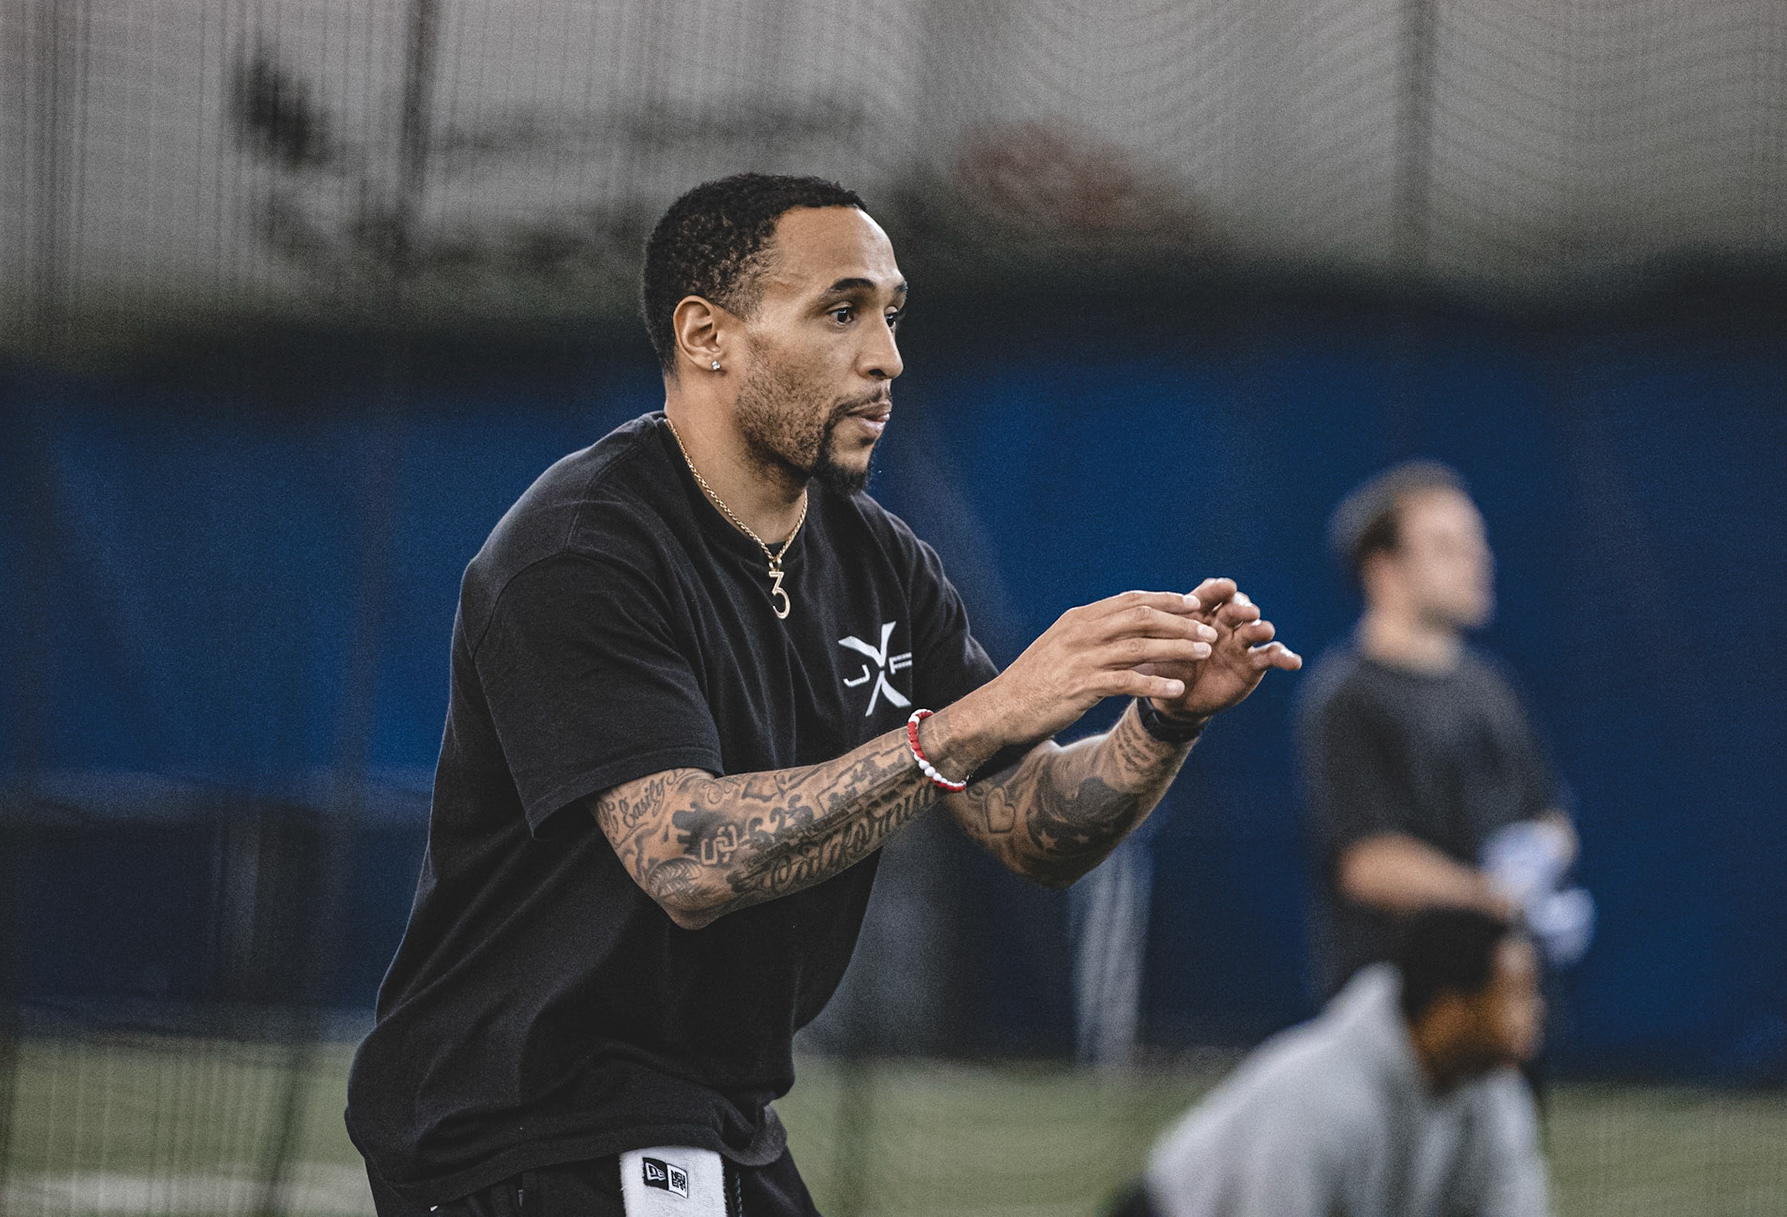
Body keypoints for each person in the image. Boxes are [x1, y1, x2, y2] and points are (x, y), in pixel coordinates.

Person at [344, 173, 1302, 1217]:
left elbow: (1031, 827)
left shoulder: (881, 559)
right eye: (842, 311)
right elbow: (688, 856)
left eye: (892, 315)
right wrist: (981, 715)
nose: (887, 357)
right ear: (707, 335)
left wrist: (1163, 718)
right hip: (529, 1124)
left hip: (722, 1110)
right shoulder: (580, 548)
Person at [1297, 462, 1578, 1003]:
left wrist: (1542, 855)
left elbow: (1551, 814)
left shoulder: (1493, 685)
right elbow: (1368, 864)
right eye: (1447, 546)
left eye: (1477, 543)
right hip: (1397, 1006)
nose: (1478, 561)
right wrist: (1494, 898)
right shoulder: (1346, 699)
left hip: (1500, 1005)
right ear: (1384, 570)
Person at [1119, 907, 1550, 1217]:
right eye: (1515, 993)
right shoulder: (1316, 1095)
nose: (1537, 1011)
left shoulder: (1494, 1092)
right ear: (1450, 1010)